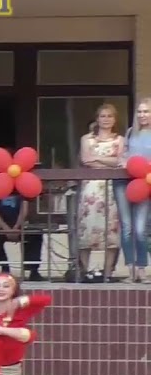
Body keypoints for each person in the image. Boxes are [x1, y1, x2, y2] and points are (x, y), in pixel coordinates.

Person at [77, 103, 124, 282]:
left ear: (115, 119)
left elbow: (120, 161)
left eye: (109, 116)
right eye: (103, 116)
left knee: (111, 230)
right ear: (97, 119)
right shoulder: (86, 139)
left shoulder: (120, 139)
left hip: (112, 188)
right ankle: (85, 271)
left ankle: (107, 273)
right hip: (90, 188)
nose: (106, 119)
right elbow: (86, 160)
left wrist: (96, 157)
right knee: (87, 228)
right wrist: (107, 161)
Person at [118, 98, 151, 282]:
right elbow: (123, 154)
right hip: (124, 181)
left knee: (140, 229)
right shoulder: (131, 132)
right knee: (127, 228)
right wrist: (124, 161)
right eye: (139, 111)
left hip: (144, 183)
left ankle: (142, 268)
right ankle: (130, 269)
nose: (142, 115)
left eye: (146, 111)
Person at [0, 190, 42, 281]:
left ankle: (33, 270)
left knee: (36, 235)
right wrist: (6, 229)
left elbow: (24, 211)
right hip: (1, 226)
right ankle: (4, 267)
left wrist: (16, 227)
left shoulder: (22, 189)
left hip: (20, 226)